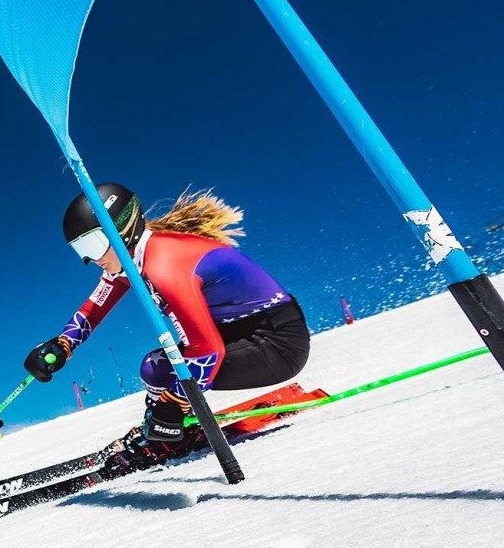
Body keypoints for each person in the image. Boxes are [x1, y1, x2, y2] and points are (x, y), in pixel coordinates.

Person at [23, 182, 310, 479]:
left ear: (121, 230)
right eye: (79, 250)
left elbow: (208, 350)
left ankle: (165, 433)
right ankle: (163, 429)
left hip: (278, 344)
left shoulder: (163, 263)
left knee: (161, 370)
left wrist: (171, 407)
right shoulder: (134, 259)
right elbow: (94, 309)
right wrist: (62, 345)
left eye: (92, 245)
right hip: (237, 333)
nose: (89, 259)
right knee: (157, 367)